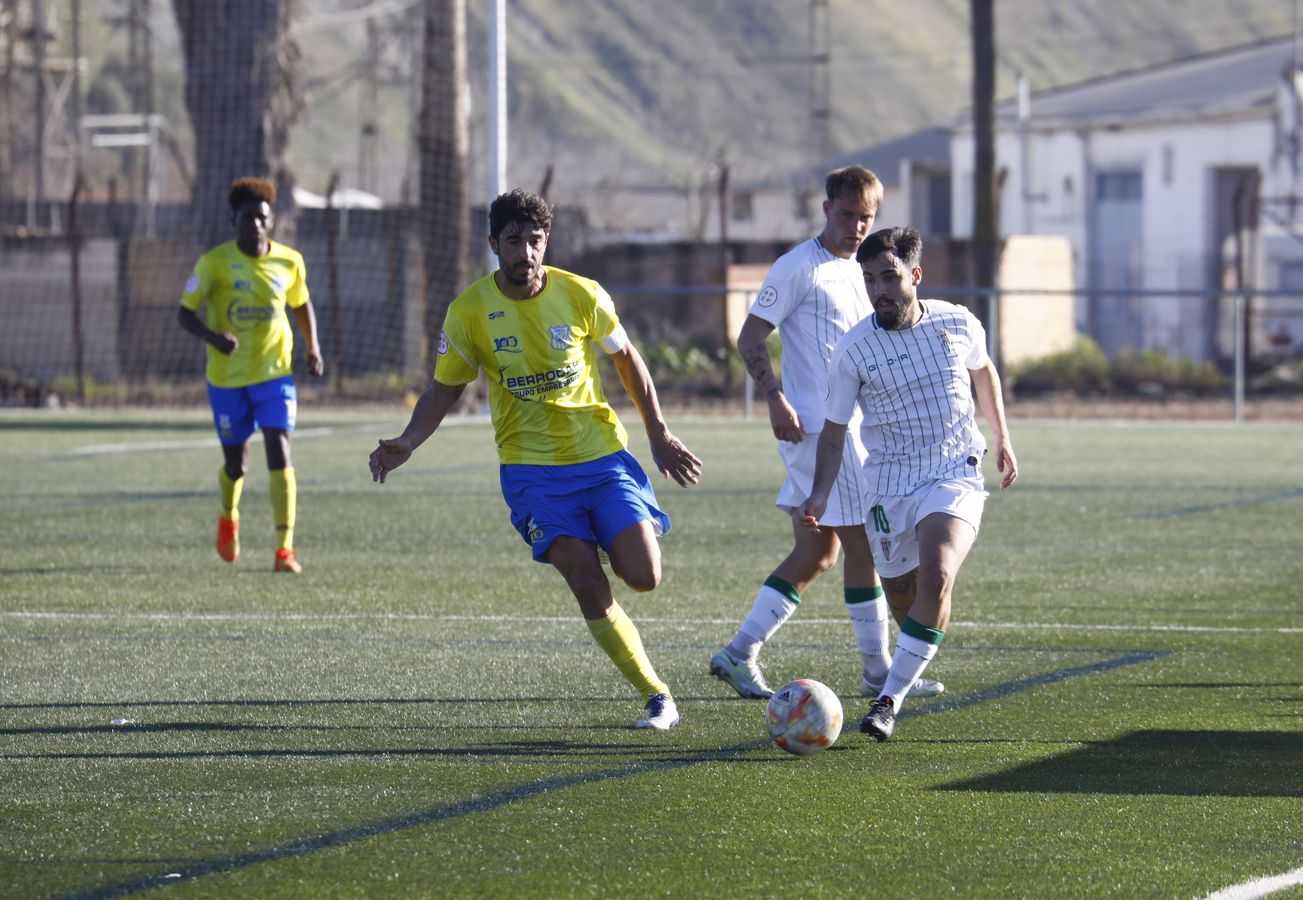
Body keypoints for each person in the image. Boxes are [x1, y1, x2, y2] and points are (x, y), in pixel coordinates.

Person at [367, 189, 702, 730]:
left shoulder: (581, 294)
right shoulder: (469, 312)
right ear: (494, 245)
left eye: (535, 241)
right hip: (531, 473)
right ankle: (657, 694)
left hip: (601, 458)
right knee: (588, 582)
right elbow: (443, 390)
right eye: (514, 241)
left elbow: (627, 360)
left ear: (547, 242)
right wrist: (409, 439)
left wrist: (658, 432)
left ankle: (600, 532)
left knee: (643, 576)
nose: (525, 252)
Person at [708, 165, 942, 702]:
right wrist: (774, 398)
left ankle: (738, 652)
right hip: (816, 430)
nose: (858, 226)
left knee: (818, 552)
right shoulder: (798, 268)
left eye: (867, 217)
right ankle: (878, 671)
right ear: (825, 209)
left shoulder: (865, 269)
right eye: (848, 215)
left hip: (857, 429)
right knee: (864, 543)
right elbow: (750, 337)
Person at [802, 226, 1020, 742]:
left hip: (954, 472)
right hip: (888, 485)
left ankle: (887, 701)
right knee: (903, 590)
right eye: (870, 278)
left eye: (890, 277)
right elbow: (834, 433)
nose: (879, 289)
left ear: (915, 275)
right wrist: (819, 492)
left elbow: (983, 372)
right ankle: (909, 662)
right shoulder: (854, 350)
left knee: (939, 572)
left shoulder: (957, 322)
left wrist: (1002, 437)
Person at [178, 176, 323, 574]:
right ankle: (228, 516)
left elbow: (301, 304)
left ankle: (284, 549)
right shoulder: (214, 264)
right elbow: (184, 313)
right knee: (236, 465)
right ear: (234, 221)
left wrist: (313, 347)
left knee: (280, 449)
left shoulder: (289, 262)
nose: (255, 225)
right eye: (248, 218)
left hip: (275, 375)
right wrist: (212, 337)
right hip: (227, 379)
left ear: (271, 221)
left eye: (262, 218)